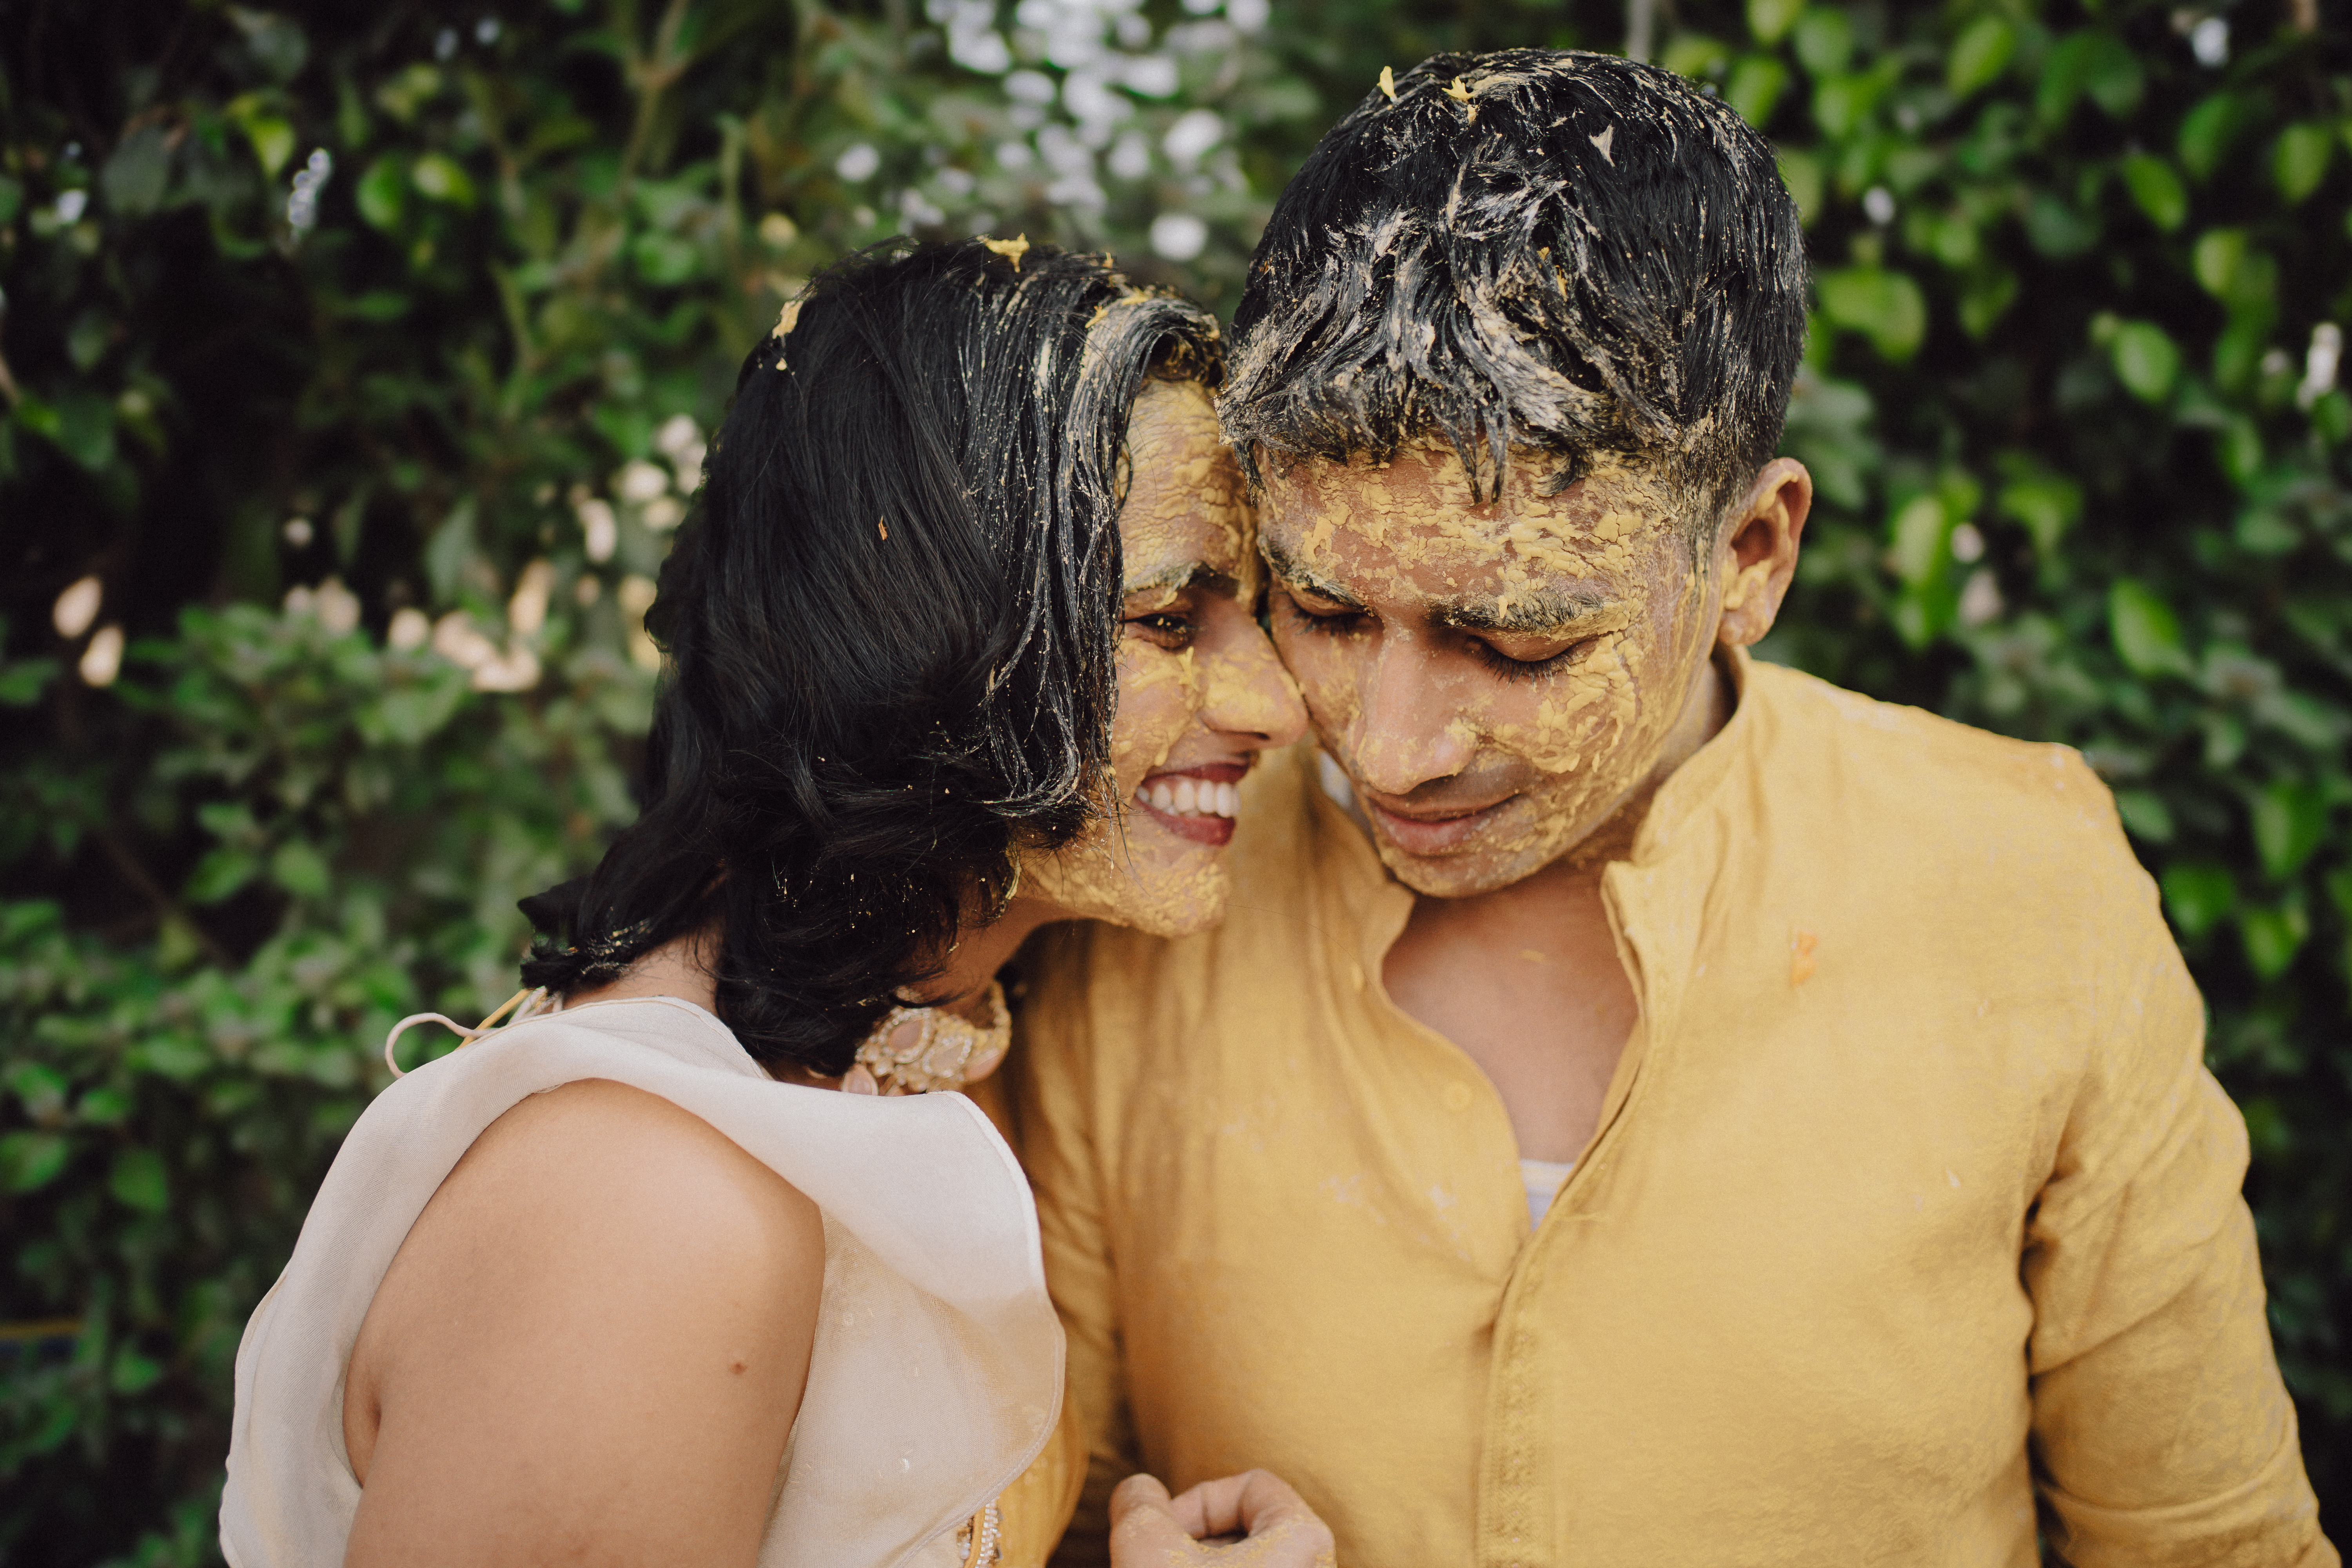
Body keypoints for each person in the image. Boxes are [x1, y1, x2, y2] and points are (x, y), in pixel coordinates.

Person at [1010, 51, 2338, 1568]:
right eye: (1320, 608)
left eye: (1514, 640)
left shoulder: (2023, 883)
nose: (1388, 748)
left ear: (1753, 557)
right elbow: (1028, 1500)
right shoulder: (1162, 891)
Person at [218, 239, 1334, 1568]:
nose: (1280, 702)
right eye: (1168, 619)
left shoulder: (938, 1049)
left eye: (1260, 614)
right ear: (920, 632)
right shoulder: (650, 1210)